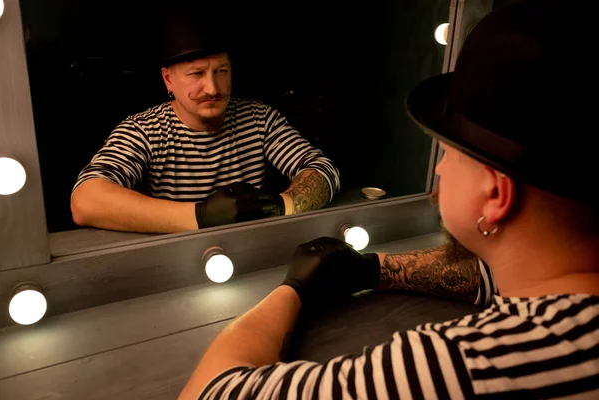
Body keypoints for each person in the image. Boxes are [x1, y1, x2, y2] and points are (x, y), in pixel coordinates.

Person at [177, 0, 599, 398]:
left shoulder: (467, 366)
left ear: (494, 195)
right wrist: (370, 268)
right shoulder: (568, 290)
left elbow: (213, 389)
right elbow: (488, 276)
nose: (437, 170)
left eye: (448, 152)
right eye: (196, 73)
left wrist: (292, 290)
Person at [70, 4, 340, 234]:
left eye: (221, 71)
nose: (212, 88)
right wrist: (202, 216)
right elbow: (85, 201)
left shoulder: (260, 119)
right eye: (196, 74)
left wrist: (280, 206)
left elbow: (323, 170)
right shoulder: (143, 130)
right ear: (168, 79)